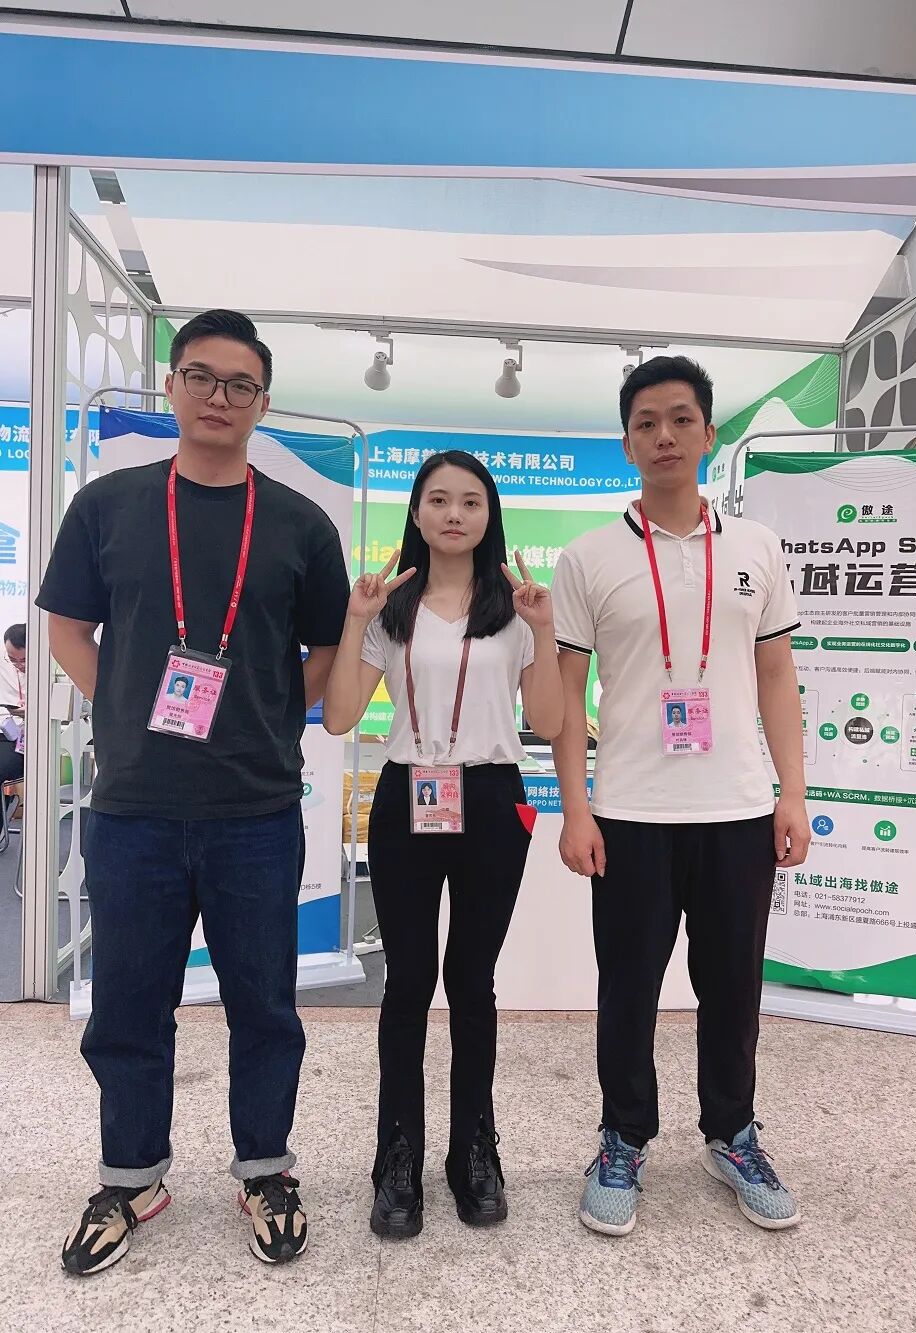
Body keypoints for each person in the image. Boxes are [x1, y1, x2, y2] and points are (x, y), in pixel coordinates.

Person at [38, 309, 350, 1276]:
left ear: (263, 401)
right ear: (171, 386)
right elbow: (66, 630)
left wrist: (267, 715)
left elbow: (328, 647)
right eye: (202, 377)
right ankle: (131, 1175)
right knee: (130, 1004)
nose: (220, 397)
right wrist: (129, 709)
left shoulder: (300, 522)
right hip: (134, 806)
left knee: (265, 1005)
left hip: (256, 809)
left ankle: (265, 1168)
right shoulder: (108, 505)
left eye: (240, 384)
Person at [551, 355, 810, 1238]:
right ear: (626, 442)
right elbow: (567, 692)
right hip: (630, 812)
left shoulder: (757, 547)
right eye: (646, 423)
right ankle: (623, 1138)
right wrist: (576, 808)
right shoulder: (588, 558)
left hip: (737, 809)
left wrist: (791, 793)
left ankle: (732, 1133)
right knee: (627, 988)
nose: (664, 435)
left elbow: (776, 675)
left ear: (708, 434)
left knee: (733, 986)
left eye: (681, 419)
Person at [324, 450, 563, 1239]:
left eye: (470, 501)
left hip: (492, 798)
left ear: (490, 515)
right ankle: (397, 1155)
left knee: (472, 981)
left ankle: (474, 1150)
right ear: (417, 513)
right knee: (407, 982)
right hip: (408, 794)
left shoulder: (515, 608)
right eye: (438, 499)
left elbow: (551, 721)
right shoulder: (390, 608)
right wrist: (354, 621)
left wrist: (546, 632)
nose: (454, 513)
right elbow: (339, 716)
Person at [0, 623, 26, 783]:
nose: (20, 665)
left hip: (29, 739)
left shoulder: (48, 667)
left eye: (24, 660)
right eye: (13, 660)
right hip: (5, 731)